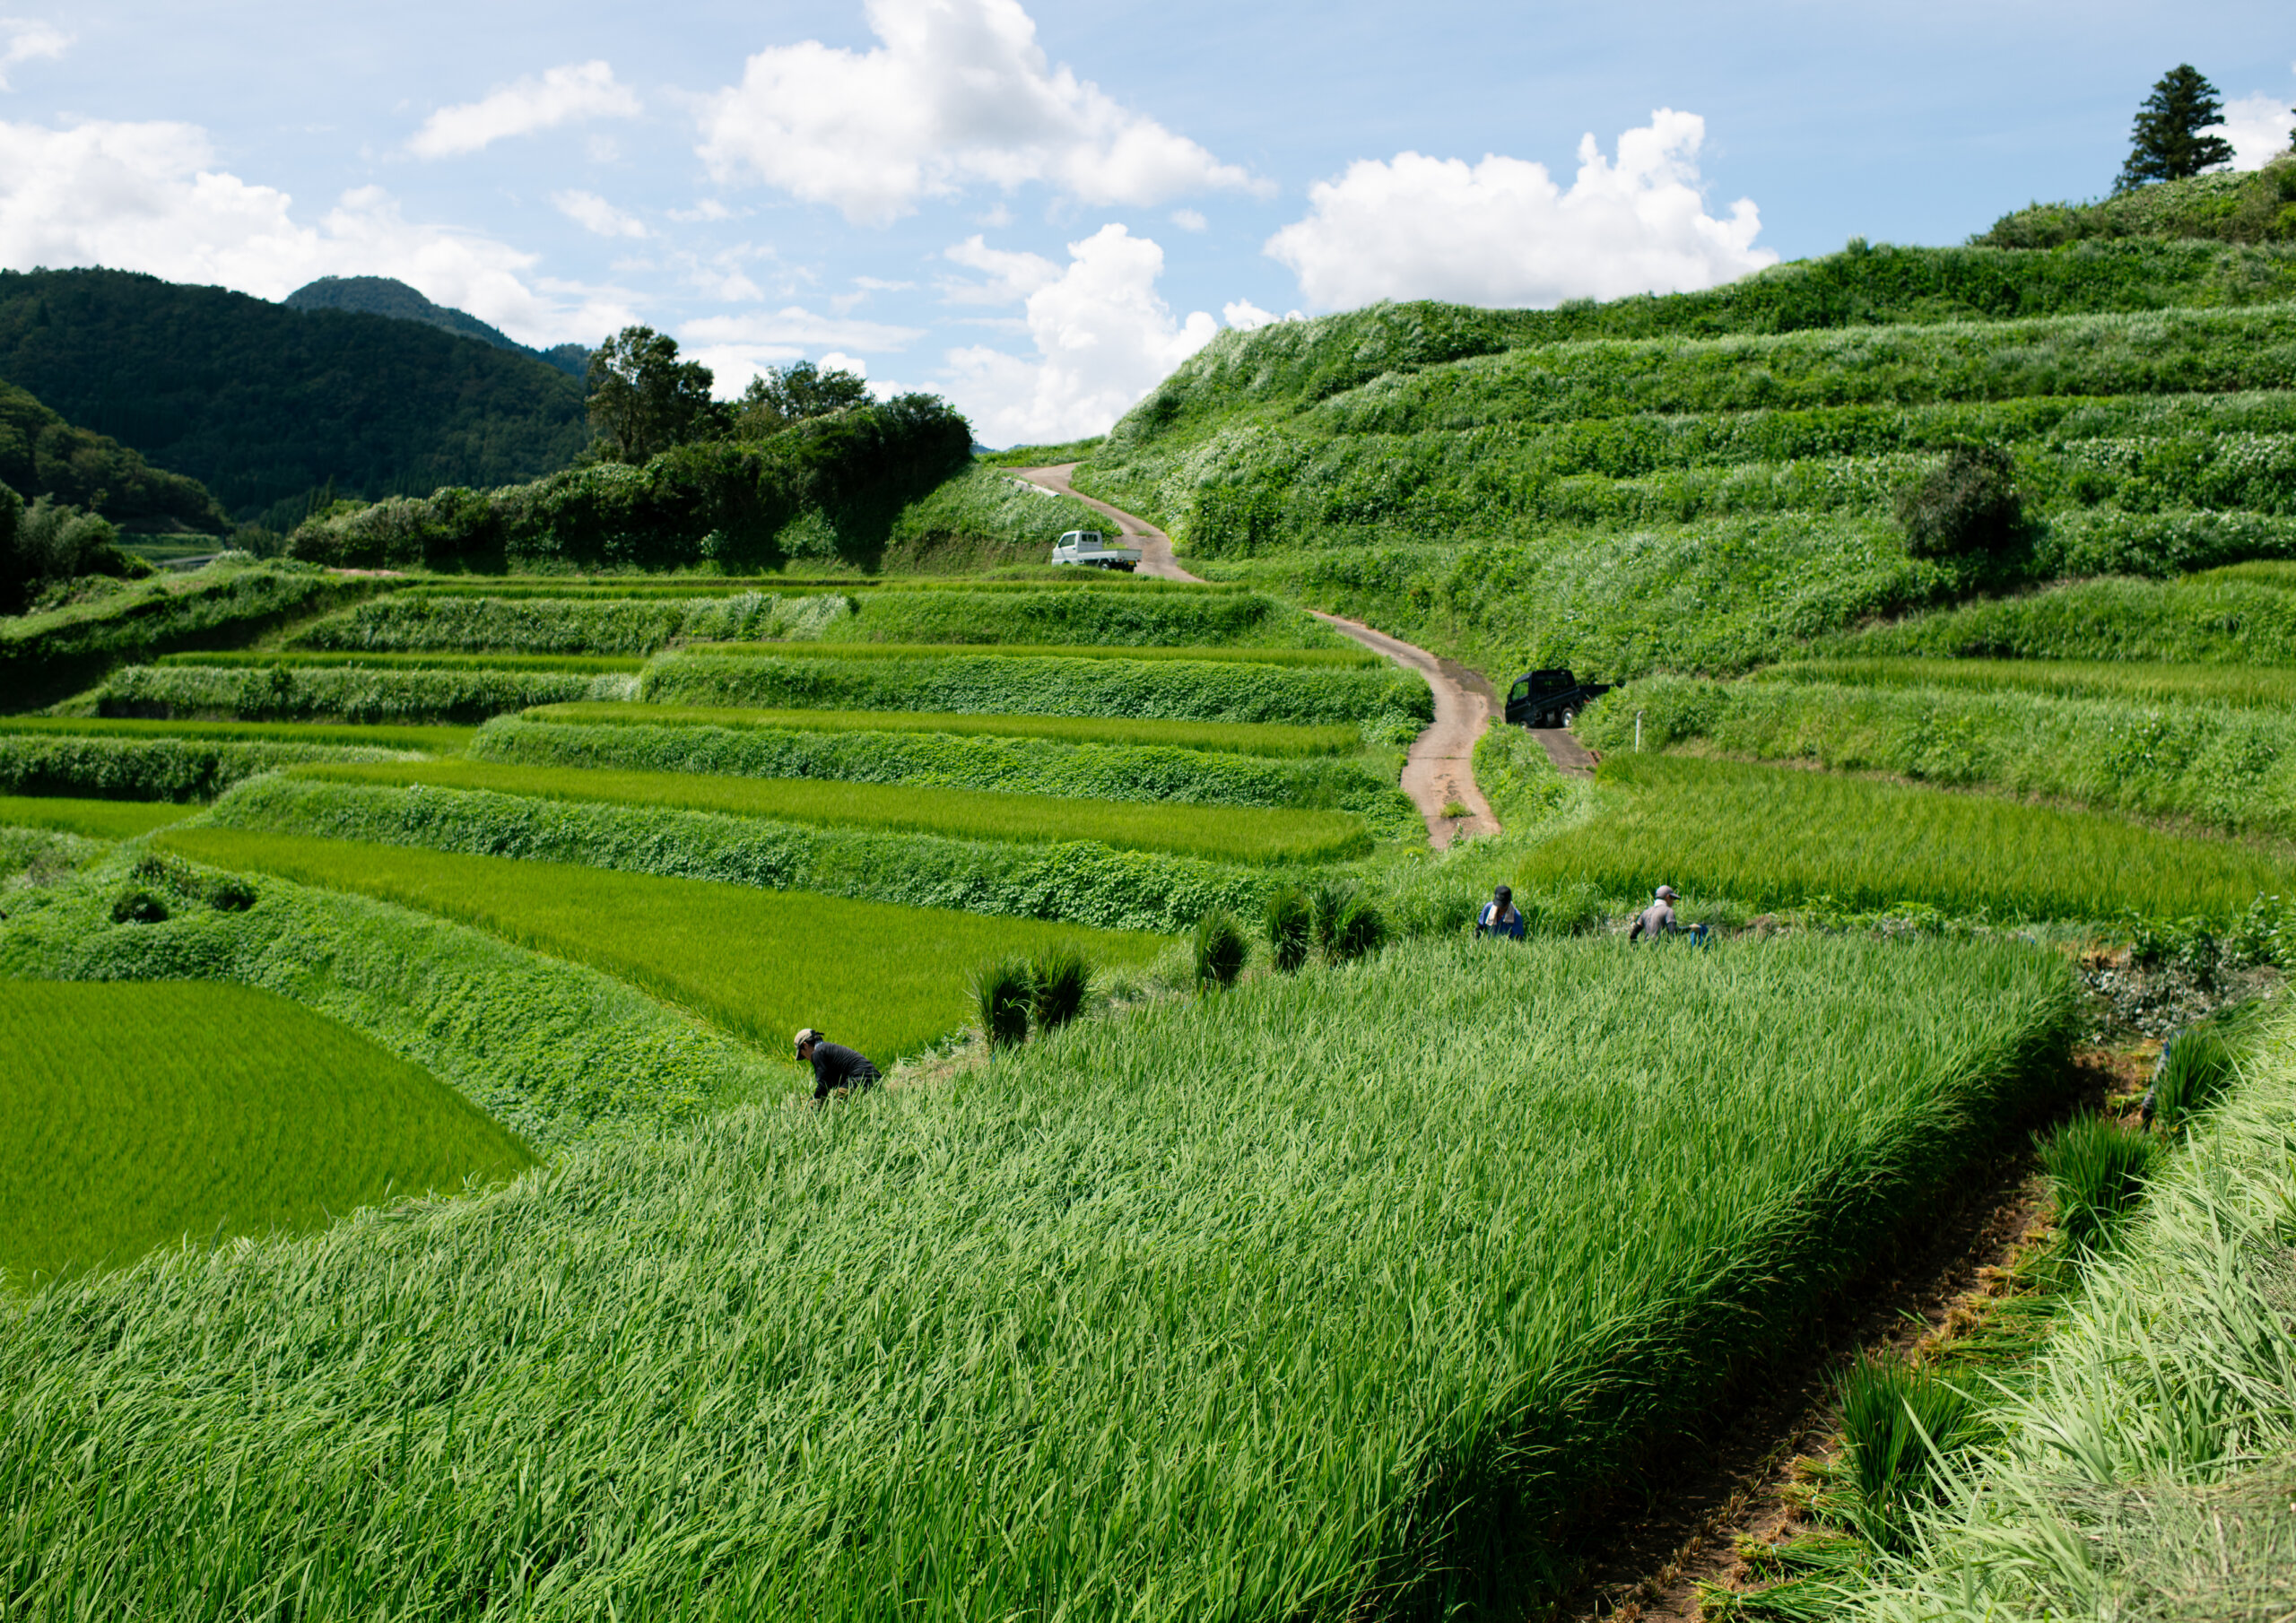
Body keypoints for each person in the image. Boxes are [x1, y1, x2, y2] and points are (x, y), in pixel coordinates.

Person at [795, 1028, 881, 1103]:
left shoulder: (818, 1053)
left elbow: (823, 1085)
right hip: (874, 1079)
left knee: (830, 1103)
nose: (806, 1058)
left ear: (805, 1045)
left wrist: (811, 1101)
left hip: (861, 1079)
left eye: (803, 1055)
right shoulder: (827, 1049)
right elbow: (831, 1083)